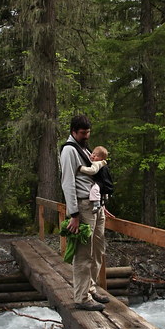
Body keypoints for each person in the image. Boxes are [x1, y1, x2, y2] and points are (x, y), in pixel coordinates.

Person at [59, 115, 109, 311]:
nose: (86, 136)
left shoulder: (85, 149)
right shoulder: (69, 150)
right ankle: (81, 297)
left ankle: (91, 288)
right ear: (73, 131)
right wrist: (74, 214)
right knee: (83, 253)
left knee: (98, 250)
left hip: (96, 205)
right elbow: (68, 183)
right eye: (82, 133)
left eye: (88, 133)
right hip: (83, 207)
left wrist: (102, 202)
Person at [77, 146, 109, 211]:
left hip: (99, 182)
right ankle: (103, 201)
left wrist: (81, 168)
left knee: (94, 190)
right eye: (93, 153)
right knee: (101, 192)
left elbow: (92, 171)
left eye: (97, 156)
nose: (93, 156)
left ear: (101, 159)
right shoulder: (101, 163)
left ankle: (96, 204)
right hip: (103, 182)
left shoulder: (97, 163)